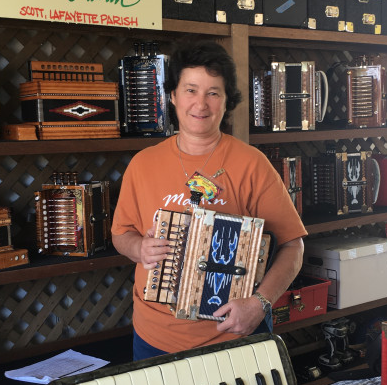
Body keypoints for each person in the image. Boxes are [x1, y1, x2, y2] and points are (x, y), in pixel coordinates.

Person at [112, 41, 307, 360]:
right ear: (173, 95)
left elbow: (293, 247)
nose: (200, 104)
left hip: (236, 334)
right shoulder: (143, 163)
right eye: (190, 90)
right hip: (154, 337)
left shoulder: (252, 163)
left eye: (213, 92)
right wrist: (138, 248)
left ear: (227, 101)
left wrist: (260, 304)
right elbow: (121, 234)